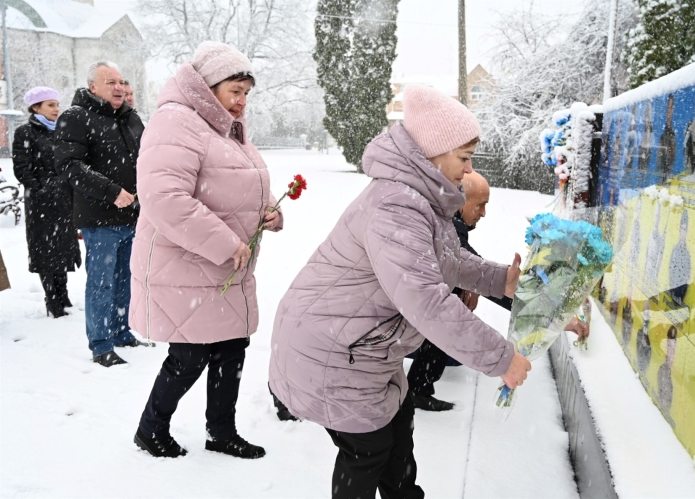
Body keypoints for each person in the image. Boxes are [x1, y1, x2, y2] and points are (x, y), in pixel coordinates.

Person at [269, 84, 531, 498]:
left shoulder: (418, 198)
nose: (468, 170)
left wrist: (503, 280)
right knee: (369, 450)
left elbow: (449, 261)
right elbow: (426, 299)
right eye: (464, 158)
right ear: (434, 152)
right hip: (334, 353)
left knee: (397, 430)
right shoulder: (398, 204)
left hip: (362, 347)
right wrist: (500, 357)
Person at [130, 41, 282, 460]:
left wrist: (269, 211)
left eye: (247, 93)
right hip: (187, 264)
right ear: (207, 86)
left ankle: (221, 431)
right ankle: (151, 429)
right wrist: (225, 242)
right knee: (190, 353)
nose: (241, 101)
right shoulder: (175, 122)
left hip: (227, 267)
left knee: (232, 347)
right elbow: (165, 198)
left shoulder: (225, 127)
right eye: (235, 91)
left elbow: (239, 182)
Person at [406, 172, 591, 411]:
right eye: (480, 205)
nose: (483, 213)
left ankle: (419, 382)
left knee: (454, 309)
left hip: (402, 319)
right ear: (460, 202)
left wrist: (470, 282)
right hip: (390, 326)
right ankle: (417, 389)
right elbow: (490, 284)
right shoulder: (447, 231)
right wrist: (556, 318)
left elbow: (480, 273)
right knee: (450, 309)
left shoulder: (446, 224)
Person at [55, 62, 147, 367]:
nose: (119, 87)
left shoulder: (131, 118)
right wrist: (112, 192)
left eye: (121, 81)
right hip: (100, 219)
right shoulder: (76, 117)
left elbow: (149, 157)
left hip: (133, 217)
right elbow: (70, 166)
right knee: (102, 283)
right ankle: (101, 344)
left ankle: (121, 332)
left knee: (126, 280)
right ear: (92, 87)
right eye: (110, 82)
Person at [12, 86, 81, 318]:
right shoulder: (25, 133)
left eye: (57, 104)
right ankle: (52, 298)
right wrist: (42, 189)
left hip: (64, 202)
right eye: (50, 105)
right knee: (45, 250)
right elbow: (22, 168)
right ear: (36, 107)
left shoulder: (62, 132)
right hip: (41, 204)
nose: (56, 109)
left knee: (62, 248)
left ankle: (63, 294)